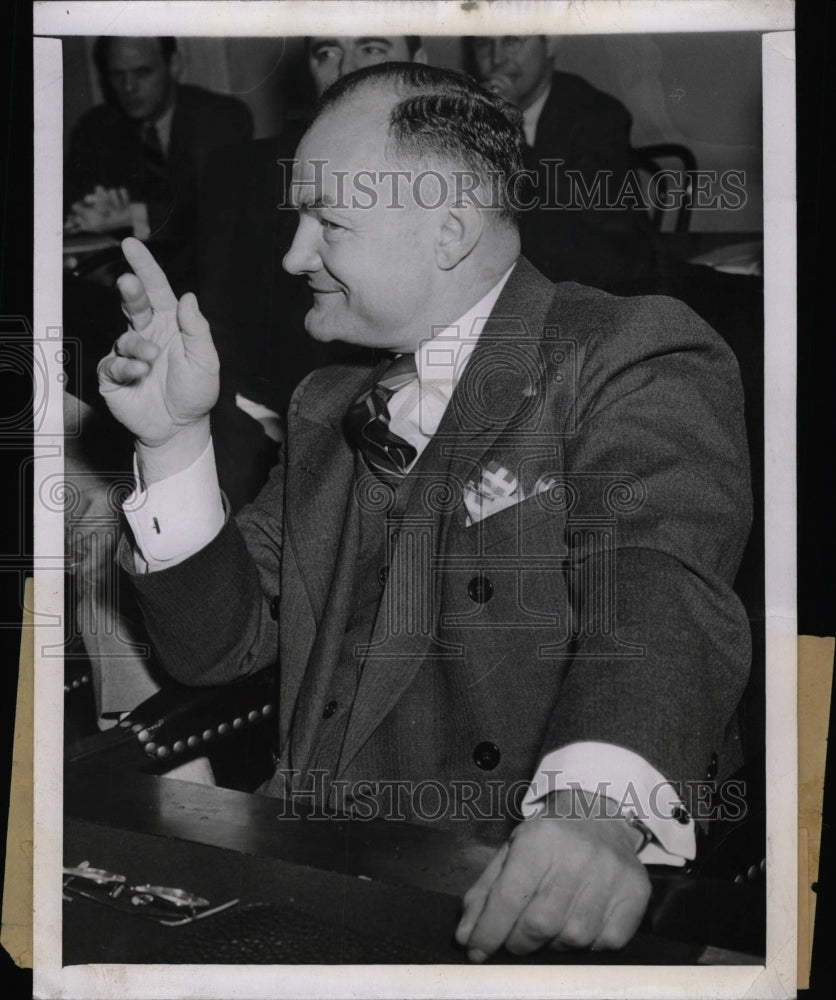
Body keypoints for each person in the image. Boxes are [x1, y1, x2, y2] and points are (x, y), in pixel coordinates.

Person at [97, 63, 752, 958]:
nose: (293, 255)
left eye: (329, 222)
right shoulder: (329, 405)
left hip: (498, 896)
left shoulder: (623, 357)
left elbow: (657, 584)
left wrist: (594, 813)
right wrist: (172, 440)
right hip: (305, 876)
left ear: (448, 231)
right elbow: (218, 647)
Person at [197, 35, 427, 508]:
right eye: (326, 53)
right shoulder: (244, 178)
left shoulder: (482, 182)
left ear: (420, 65)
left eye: (372, 49)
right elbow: (216, 327)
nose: (345, 69)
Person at [467, 35, 658, 292]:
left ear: (550, 44)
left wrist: (505, 126)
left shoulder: (599, 113)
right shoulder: (467, 112)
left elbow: (584, 214)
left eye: (512, 41)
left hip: (607, 285)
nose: (497, 59)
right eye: (483, 44)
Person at [65, 35, 253, 290]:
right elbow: (78, 203)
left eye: (142, 72)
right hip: (123, 281)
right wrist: (92, 210)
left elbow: (218, 213)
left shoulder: (222, 119)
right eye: (117, 75)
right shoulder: (94, 128)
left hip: (214, 281)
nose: (128, 87)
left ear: (174, 65)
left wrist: (132, 215)